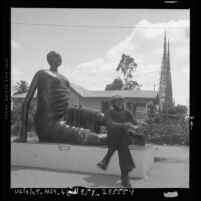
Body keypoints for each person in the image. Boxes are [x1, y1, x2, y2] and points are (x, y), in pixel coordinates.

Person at [14, 51, 105, 145]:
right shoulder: (42, 74)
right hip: (48, 126)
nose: (58, 58)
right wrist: (23, 135)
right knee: (95, 138)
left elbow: (63, 105)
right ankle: (115, 138)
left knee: (98, 116)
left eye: (59, 56)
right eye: (55, 57)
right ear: (49, 60)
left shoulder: (65, 80)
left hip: (66, 116)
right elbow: (26, 103)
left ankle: (119, 126)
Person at [96, 95, 139, 188]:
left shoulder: (127, 112)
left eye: (121, 101)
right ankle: (125, 177)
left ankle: (105, 161)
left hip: (124, 138)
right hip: (113, 138)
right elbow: (111, 124)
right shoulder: (108, 113)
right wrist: (126, 125)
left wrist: (141, 124)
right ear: (113, 103)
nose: (121, 103)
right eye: (118, 102)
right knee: (122, 150)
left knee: (123, 152)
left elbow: (135, 122)